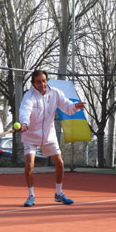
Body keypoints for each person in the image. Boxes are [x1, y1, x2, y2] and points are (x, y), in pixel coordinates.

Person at [19, 70, 86, 207]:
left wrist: (75, 106)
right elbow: (25, 110)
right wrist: (24, 124)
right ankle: (31, 195)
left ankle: (59, 193)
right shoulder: (29, 96)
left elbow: (67, 106)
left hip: (49, 135)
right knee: (29, 165)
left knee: (60, 163)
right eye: (38, 82)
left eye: (44, 81)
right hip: (30, 135)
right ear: (33, 83)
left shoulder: (55, 93)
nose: (42, 84)